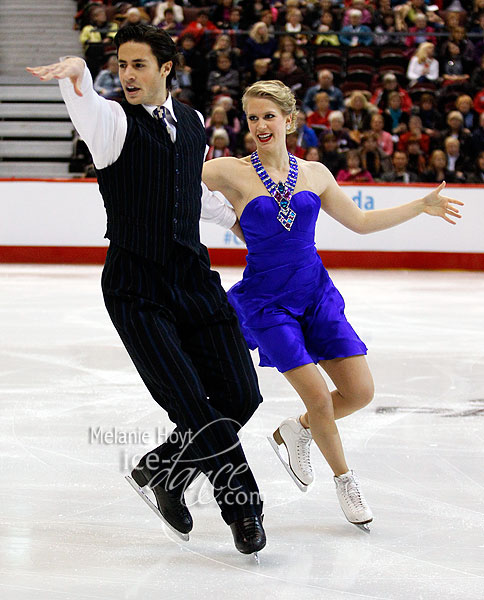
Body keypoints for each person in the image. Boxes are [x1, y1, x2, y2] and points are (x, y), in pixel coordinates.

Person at [27, 24, 266, 557]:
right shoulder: (112, 122)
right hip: (137, 285)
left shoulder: (193, 120)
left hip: (192, 276)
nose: (127, 75)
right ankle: (242, 506)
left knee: (241, 396)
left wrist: (238, 223)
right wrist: (78, 79)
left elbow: (190, 188)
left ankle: (162, 471)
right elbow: (88, 109)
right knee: (191, 402)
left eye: (138, 65)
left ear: (166, 69)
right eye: (121, 64)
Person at [202, 80, 462, 532]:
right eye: (253, 117)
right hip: (267, 303)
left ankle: (296, 430)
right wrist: (217, 214)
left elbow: (360, 222)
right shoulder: (229, 171)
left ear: (289, 120)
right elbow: (171, 176)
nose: (261, 125)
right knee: (320, 397)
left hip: (315, 294)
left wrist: (421, 205)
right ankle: (345, 480)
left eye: (269, 116)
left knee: (360, 393)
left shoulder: (317, 173)